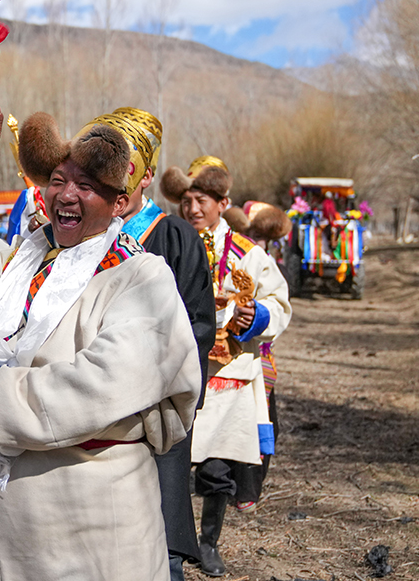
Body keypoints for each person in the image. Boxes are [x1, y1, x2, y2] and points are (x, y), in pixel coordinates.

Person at [0, 91, 202, 581]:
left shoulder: (141, 277)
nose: (66, 194)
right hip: (1, 511)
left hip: (89, 518)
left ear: (120, 201)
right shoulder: (19, 262)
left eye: (86, 185)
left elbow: (100, 384)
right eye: (58, 181)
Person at [160, 156, 292, 577]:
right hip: (177, 369)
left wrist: (255, 316)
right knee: (171, 460)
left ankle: (209, 543)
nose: (193, 209)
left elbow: (278, 303)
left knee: (218, 465)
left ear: (222, 203)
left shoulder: (249, 255)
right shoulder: (168, 242)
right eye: (187, 201)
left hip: (229, 374)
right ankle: (170, 545)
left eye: (202, 201)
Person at [108, 108, 216, 581]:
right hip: (93, 409)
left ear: (146, 176)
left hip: (154, 406)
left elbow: (198, 325)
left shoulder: (175, 236)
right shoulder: (83, 233)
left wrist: (143, 373)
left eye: (124, 170)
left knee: (158, 538)